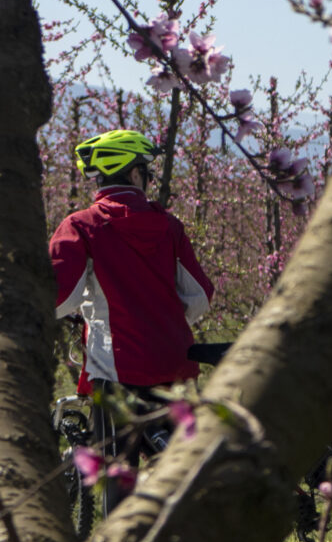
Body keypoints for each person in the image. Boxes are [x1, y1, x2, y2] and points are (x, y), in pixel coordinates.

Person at [50, 129, 215, 395]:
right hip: (177, 370)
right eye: (147, 173)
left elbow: (57, 298)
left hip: (117, 372)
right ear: (135, 174)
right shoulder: (171, 227)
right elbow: (200, 298)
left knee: (111, 438)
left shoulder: (81, 226)